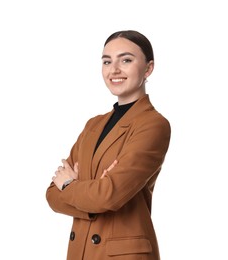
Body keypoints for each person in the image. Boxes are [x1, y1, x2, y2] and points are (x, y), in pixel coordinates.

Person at [46, 30, 171, 260]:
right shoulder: (93, 125)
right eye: (107, 61)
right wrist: (92, 193)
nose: (114, 69)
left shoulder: (153, 125)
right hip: (80, 251)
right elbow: (52, 195)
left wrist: (70, 186)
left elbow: (109, 196)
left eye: (126, 60)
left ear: (148, 68)